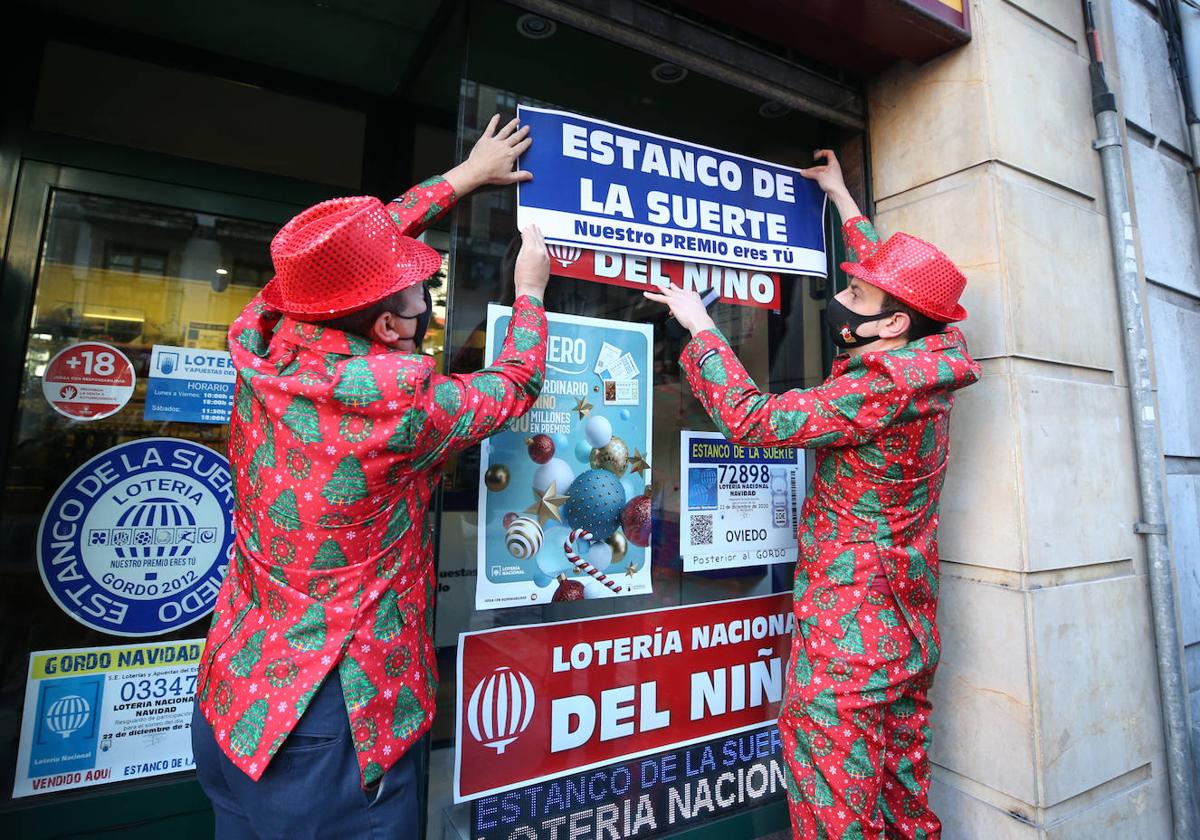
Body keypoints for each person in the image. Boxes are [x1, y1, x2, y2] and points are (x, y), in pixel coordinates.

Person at [191, 115, 551, 838]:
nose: (428, 298)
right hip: (329, 725)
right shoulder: (393, 401)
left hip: (236, 700)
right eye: (422, 295)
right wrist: (531, 291)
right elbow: (514, 384)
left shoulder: (262, 336)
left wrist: (462, 178)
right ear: (389, 329)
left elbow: (324, 262)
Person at [644, 149, 980, 840]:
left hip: (852, 633)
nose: (839, 299)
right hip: (905, 625)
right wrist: (840, 199)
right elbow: (893, 281)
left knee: (835, 804)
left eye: (855, 296)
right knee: (899, 795)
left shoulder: (875, 387)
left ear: (890, 326)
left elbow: (753, 420)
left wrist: (700, 328)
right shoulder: (925, 359)